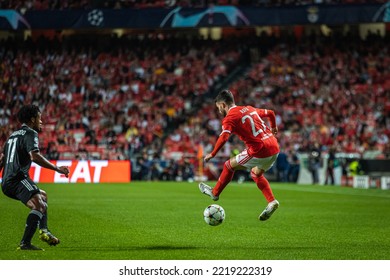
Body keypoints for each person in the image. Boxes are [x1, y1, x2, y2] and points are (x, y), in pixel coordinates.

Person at [199, 89, 280, 221]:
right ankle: (271, 201)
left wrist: (213, 153)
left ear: (223, 105)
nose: (219, 111)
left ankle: (215, 193)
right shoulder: (249, 108)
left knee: (228, 166)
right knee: (255, 173)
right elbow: (271, 113)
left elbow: (224, 137)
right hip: (274, 147)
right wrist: (274, 127)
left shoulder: (230, 118)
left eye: (219, 107)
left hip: (259, 149)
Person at [0, 105, 70, 250]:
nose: (41, 121)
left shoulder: (12, 136)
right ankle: (25, 243)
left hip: (7, 181)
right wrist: (57, 169)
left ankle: (44, 231)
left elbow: (2, 159)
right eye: (39, 118)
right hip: (17, 178)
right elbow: (35, 156)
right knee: (40, 204)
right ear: (32, 119)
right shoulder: (30, 133)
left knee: (42, 196)